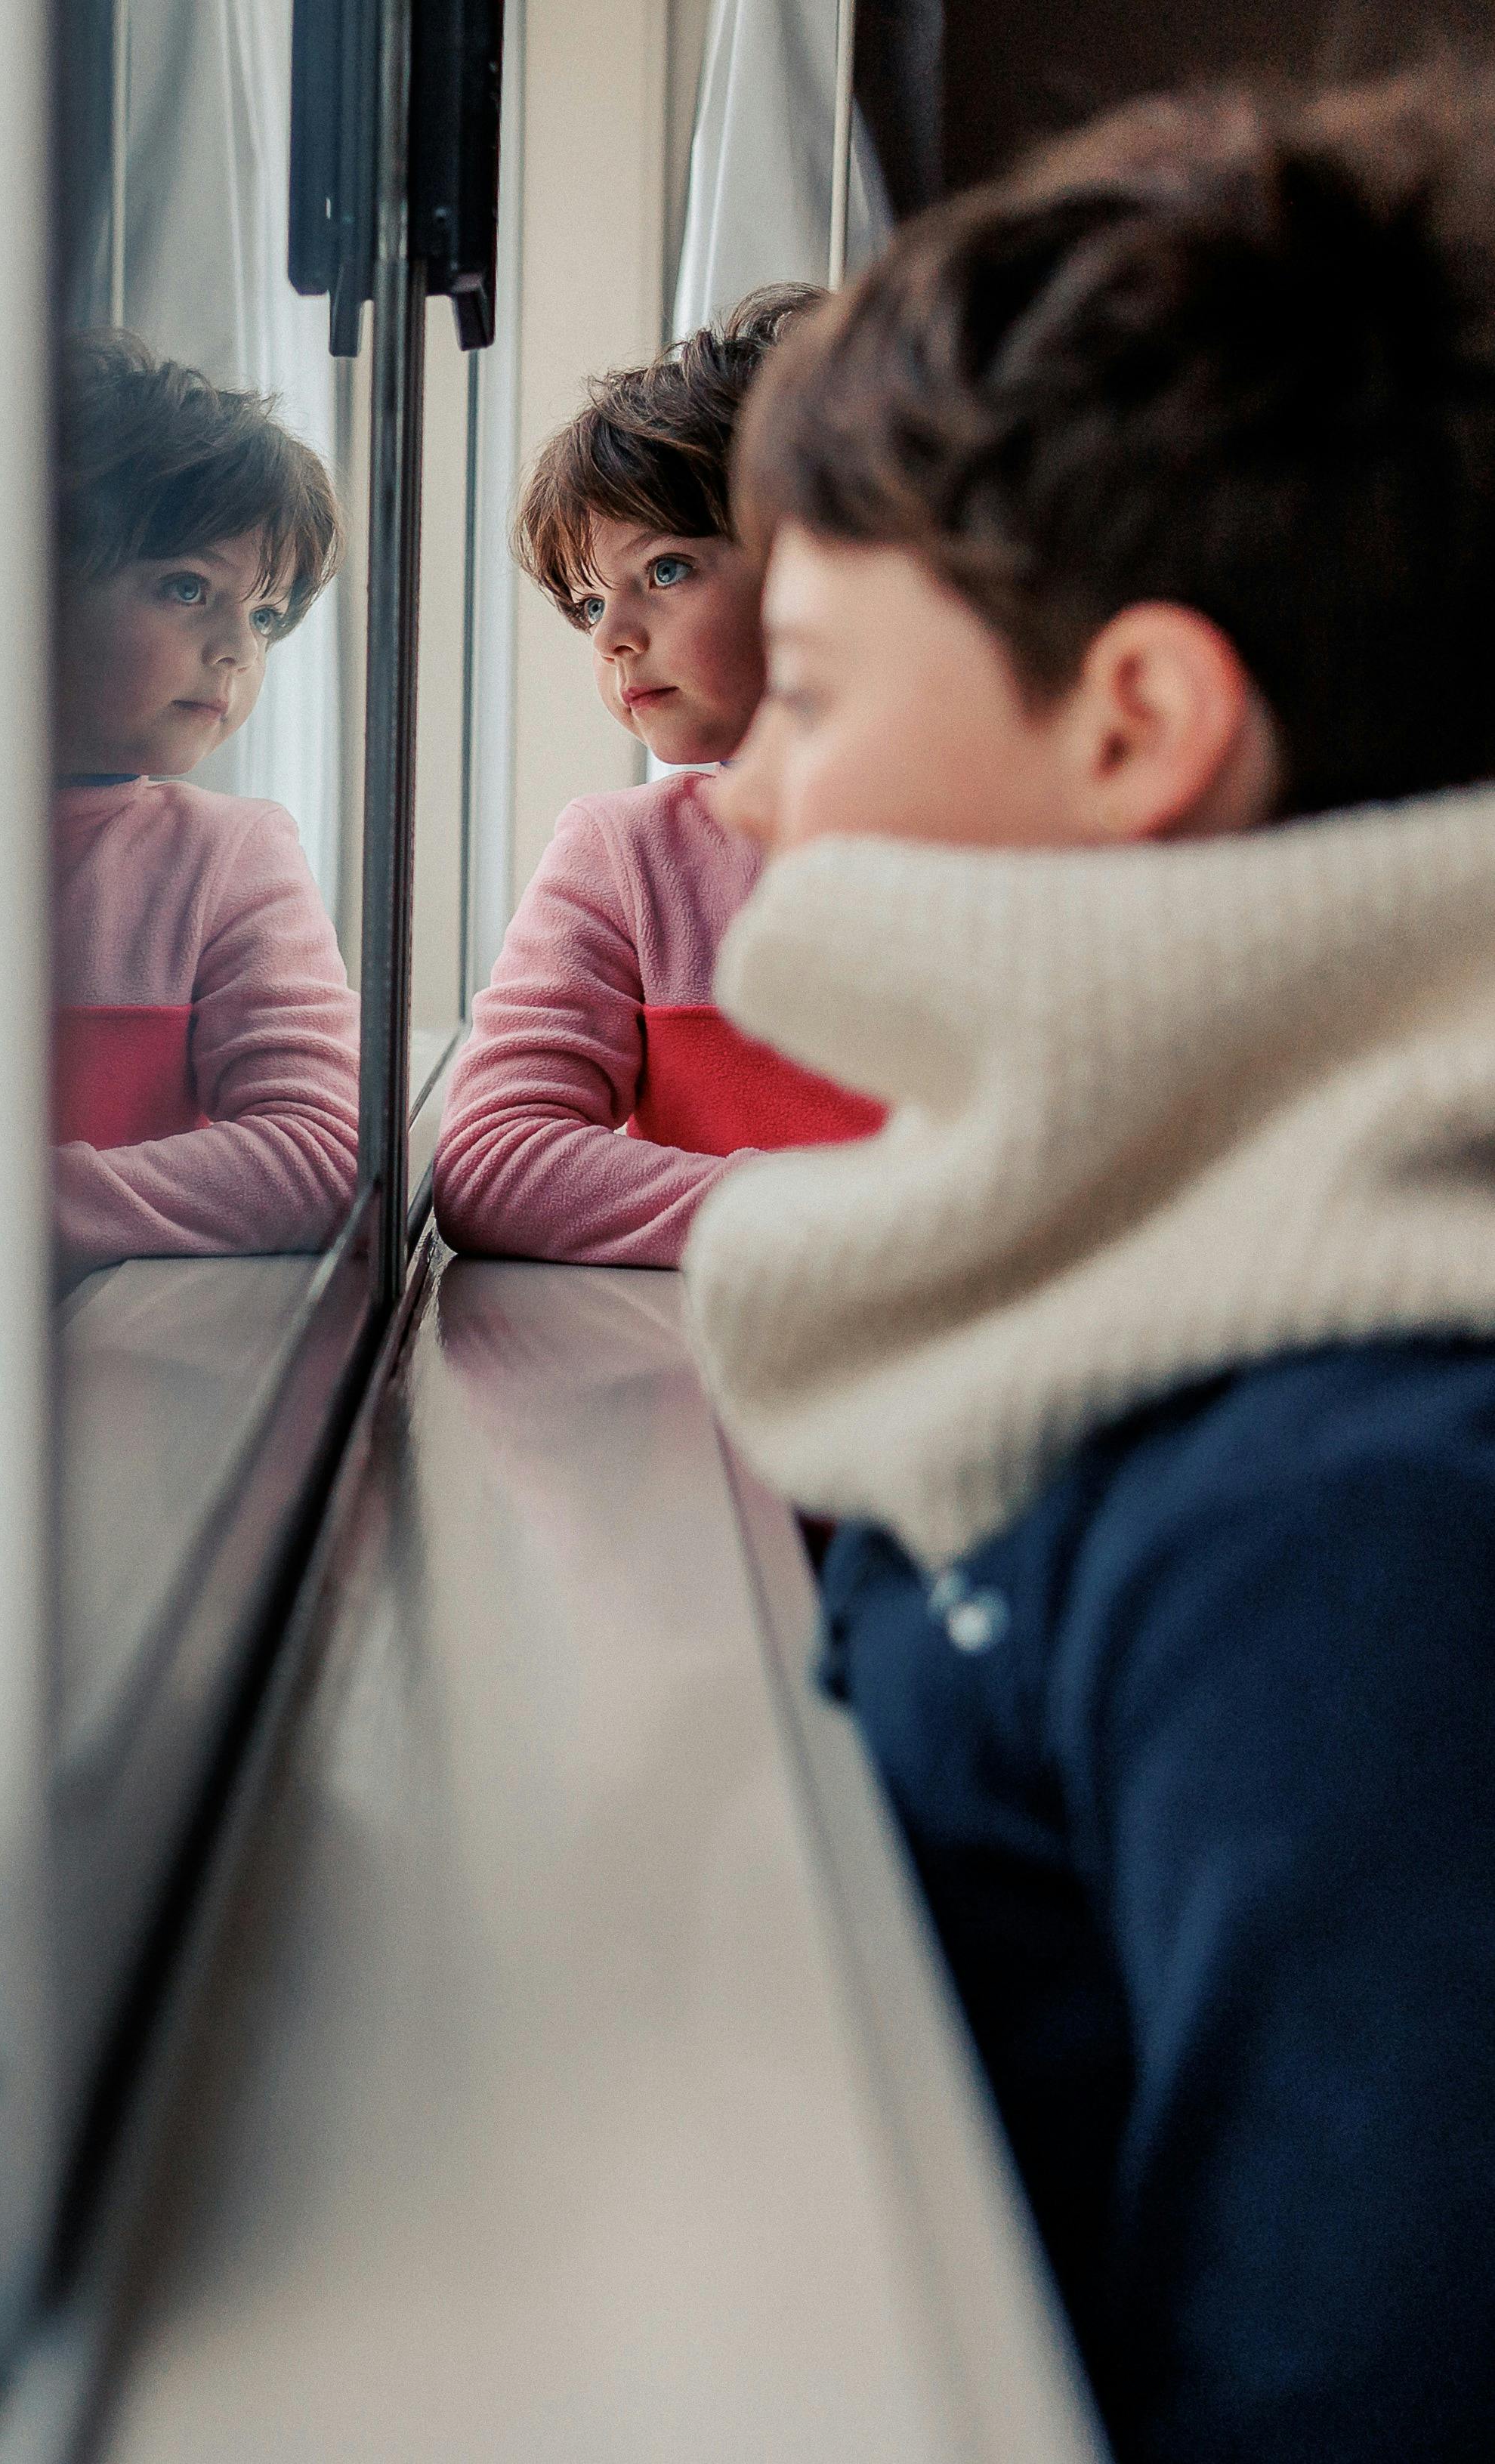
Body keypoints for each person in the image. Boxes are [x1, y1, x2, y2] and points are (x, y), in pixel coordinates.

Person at [684, 74, 1495, 2464]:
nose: (739, 786)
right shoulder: (1152, 1323)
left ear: (1135, 722)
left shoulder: (1344, 1516)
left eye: (808, 688)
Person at [431, 284, 877, 1269]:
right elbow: (495, 1163)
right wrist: (857, 1215)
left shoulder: (1001, 831)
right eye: (589, 603)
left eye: (666, 570)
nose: (614, 637)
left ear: (822, 558)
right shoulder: (623, 853)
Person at [48, 332, 360, 1274]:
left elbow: (317, 1157)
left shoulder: (230, 856)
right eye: (188, 588)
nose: (238, 649)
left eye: (264, 615)